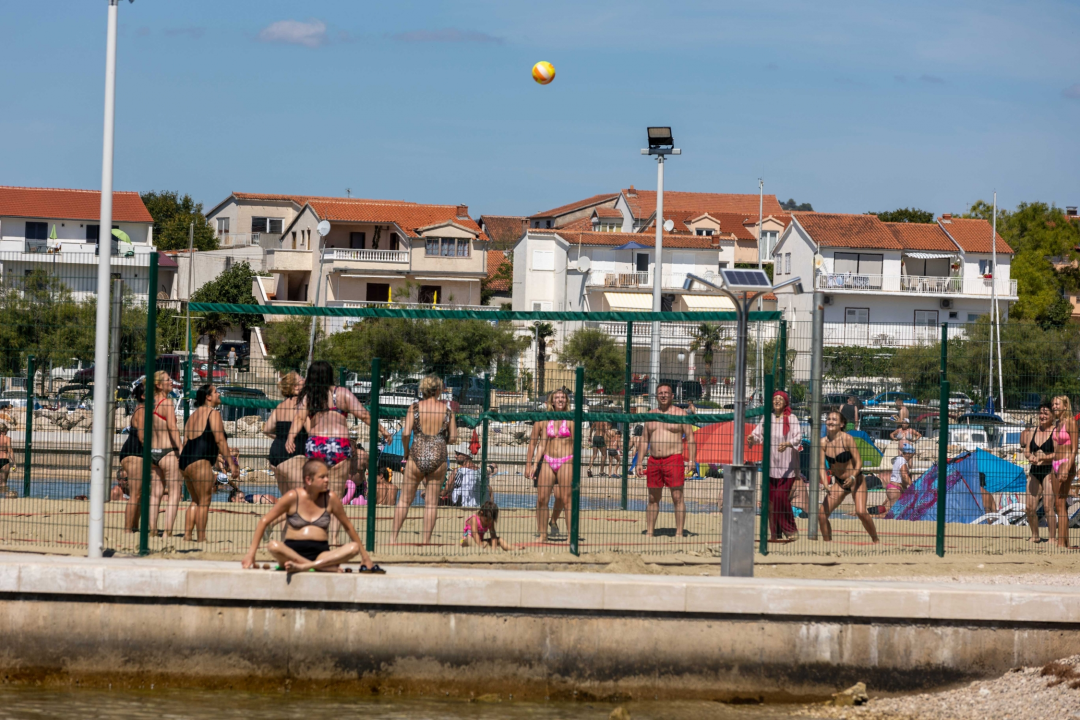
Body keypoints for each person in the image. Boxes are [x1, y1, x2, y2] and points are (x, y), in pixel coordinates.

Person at [287, 360, 390, 541]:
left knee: (314, 494)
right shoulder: (341, 393)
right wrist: (383, 430)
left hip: (316, 444)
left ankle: (311, 531)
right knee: (335, 495)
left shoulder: (309, 396)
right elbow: (364, 415)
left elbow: (298, 418)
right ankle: (332, 538)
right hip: (339, 445)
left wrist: (291, 437)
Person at [241, 459, 380, 573]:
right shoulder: (293, 497)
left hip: (321, 553)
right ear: (308, 479)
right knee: (274, 545)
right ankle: (320, 566)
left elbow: (348, 527)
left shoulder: (330, 498)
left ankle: (304, 566)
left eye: (327, 476)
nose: (327, 480)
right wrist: (250, 555)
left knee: (353, 548)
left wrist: (365, 557)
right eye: (322, 477)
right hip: (292, 552)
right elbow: (264, 521)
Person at [392, 376, 455, 544]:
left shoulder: (414, 408)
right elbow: (454, 437)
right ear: (438, 390)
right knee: (431, 503)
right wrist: (441, 440)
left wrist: (406, 452)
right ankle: (426, 540)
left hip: (417, 453)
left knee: (405, 500)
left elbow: (406, 434)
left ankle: (393, 538)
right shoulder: (447, 411)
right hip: (438, 455)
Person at [635, 382, 695, 538]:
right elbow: (644, 440)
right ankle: (649, 532)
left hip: (674, 458)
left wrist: (692, 461)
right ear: (656, 396)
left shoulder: (680, 414)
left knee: (677, 497)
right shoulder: (650, 414)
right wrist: (639, 462)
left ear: (672, 396)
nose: (663, 395)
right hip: (654, 460)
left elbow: (690, 438)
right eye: (660, 393)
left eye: (666, 393)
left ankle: (679, 532)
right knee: (653, 498)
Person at [179, 384, 237, 542]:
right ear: (208, 397)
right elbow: (219, 439)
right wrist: (231, 463)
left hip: (185, 460)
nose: (219, 394)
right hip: (200, 459)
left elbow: (185, 442)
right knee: (204, 502)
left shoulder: (192, 416)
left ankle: (187, 535)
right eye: (216, 392)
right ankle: (202, 538)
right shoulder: (213, 413)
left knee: (195, 501)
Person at [748, 390, 803, 543]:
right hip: (770, 466)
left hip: (788, 467)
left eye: (780, 399)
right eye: (775, 398)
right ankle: (775, 534)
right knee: (770, 502)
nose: (777, 401)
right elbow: (758, 435)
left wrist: (787, 444)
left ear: (786, 402)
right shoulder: (767, 418)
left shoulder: (792, 418)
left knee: (780, 497)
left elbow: (798, 437)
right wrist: (752, 438)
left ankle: (791, 529)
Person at [818, 410, 879, 543]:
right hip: (839, 483)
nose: (830, 421)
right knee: (822, 515)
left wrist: (852, 477)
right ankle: (827, 543)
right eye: (828, 419)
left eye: (834, 419)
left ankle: (876, 541)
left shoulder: (847, 439)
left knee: (861, 512)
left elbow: (859, 463)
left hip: (856, 480)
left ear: (841, 424)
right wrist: (825, 484)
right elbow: (822, 466)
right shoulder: (823, 442)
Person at [526, 389, 575, 542]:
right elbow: (539, 444)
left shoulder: (571, 420)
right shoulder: (544, 419)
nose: (560, 400)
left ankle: (570, 536)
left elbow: (575, 444)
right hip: (548, 460)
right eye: (557, 398)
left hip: (566, 460)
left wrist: (574, 464)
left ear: (566, 401)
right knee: (541, 498)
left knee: (566, 498)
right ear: (551, 402)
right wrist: (532, 464)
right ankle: (543, 534)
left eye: (563, 398)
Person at [144, 371, 184, 537]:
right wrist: (181, 449)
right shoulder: (166, 403)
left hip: (152, 452)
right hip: (168, 452)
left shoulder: (148, 403)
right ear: (159, 385)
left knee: (155, 494)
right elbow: (172, 429)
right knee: (174, 493)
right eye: (168, 380)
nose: (171, 382)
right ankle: (167, 532)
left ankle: (152, 530)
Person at [263, 372, 307, 496]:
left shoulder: (280, 406)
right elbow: (311, 430)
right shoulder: (302, 405)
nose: (304, 380)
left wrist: (282, 437)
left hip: (276, 454)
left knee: (287, 500)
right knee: (300, 499)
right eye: (301, 379)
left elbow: (266, 429)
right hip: (293, 455)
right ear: (295, 387)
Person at [1021, 402, 1056, 543]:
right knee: (1029, 507)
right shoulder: (1033, 431)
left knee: (1048, 507)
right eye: (1041, 413)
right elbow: (1027, 450)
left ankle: (1052, 538)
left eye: (1045, 413)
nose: (1042, 416)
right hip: (1035, 470)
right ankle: (1035, 535)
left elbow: (1058, 453)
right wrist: (1031, 457)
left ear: (1052, 416)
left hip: (1049, 470)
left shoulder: (1055, 431)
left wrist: (1043, 457)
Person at [119, 382, 145, 532]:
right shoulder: (141, 410)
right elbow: (142, 436)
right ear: (143, 396)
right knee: (135, 494)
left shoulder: (143, 409)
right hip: (134, 452)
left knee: (139, 494)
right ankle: (128, 529)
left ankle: (134, 527)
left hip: (134, 451)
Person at [1052, 395, 1077, 548]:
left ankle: (1061, 543)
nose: (1054, 406)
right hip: (1056, 463)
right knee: (1058, 504)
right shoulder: (1057, 423)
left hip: (1066, 463)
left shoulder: (1071, 422)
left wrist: (1068, 467)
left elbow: (1074, 449)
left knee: (1061, 503)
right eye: (1053, 404)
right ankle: (1064, 542)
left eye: (1057, 404)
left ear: (1065, 405)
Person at [882, 442, 915, 514]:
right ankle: (870, 517)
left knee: (893, 512)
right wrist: (913, 485)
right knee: (893, 513)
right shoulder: (902, 461)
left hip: (893, 487)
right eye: (911, 456)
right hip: (895, 489)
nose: (911, 458)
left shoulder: (898, 459)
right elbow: (904, 476)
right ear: (908, 453)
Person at [0, 423, 14, 499]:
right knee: (3, 482)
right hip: (4, 460)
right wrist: (14, 463)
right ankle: (2, 498)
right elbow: (10, 451)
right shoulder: (7, 439)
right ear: (5, 430)